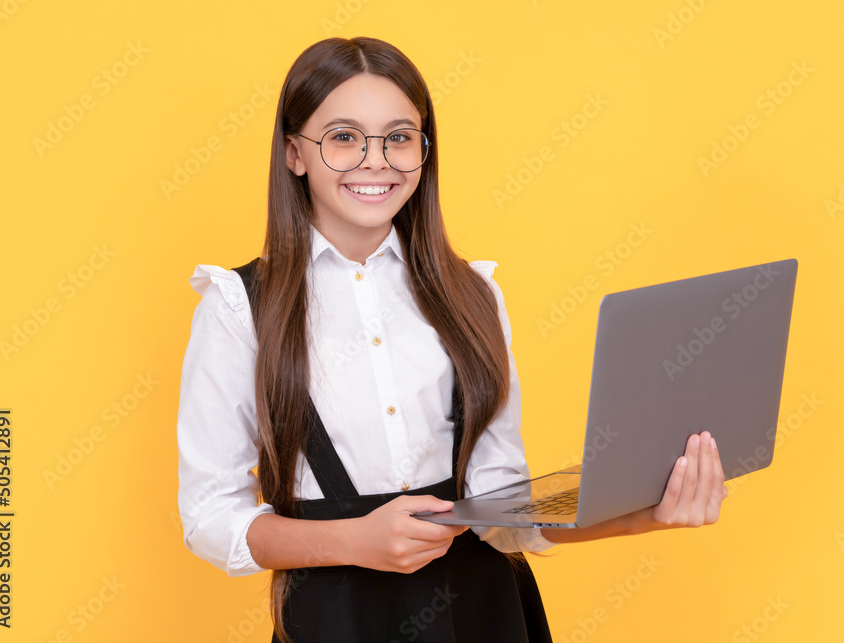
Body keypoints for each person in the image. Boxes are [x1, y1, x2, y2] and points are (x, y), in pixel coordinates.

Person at [176, 36, 728, 643]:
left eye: (398, 137)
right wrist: (351, 540)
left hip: (486, 611)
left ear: (423, 150)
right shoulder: (238, 307)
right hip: (340, 621)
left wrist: (642, 514)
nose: (376, 160)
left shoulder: (472, 294)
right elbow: (210, 518)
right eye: (343, 137)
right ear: (294, 154)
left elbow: (502, 515)